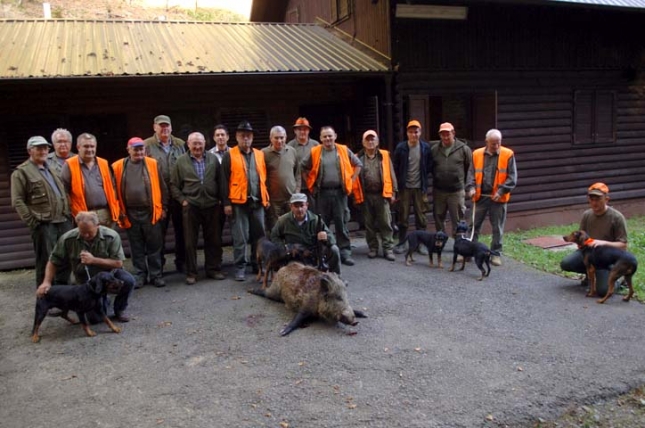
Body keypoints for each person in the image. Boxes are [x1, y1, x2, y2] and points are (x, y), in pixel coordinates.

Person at [35, 211, 135, 323]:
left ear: (98, 226)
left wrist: (93, 260)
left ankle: (119, 309)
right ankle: (102, 300)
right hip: (84, 280)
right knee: (95, 320)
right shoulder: (67, 238)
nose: (86, 235)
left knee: (128, 281)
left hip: (109, 275)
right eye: (82, 232)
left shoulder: (111, 236)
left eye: (89, 232)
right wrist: (46, 282)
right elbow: (53, 261)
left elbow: (118, 263)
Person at [11, 136, 72, 285]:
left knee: (66, 259)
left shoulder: (51, 168)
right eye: (39, 148)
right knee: (46, 260)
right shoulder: (21, 172)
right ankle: (46, 297)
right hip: (44, 224)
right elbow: (17, 201)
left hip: (63, 220)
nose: (43, 151)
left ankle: (62, 294)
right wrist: (32, 222)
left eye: (45, 148)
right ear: (29, 151)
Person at [112, 137, 168, 289]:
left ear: (145, 150)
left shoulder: (153, 164)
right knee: (136, 246)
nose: (138, 151)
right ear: (128, 149)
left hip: (150, 211)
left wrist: (164, 208)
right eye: (135, 149)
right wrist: (119, 212)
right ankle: (140, 275)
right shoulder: (117, 166)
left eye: (141, 148)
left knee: (154, 245)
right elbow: (114, 192)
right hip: (130, 212)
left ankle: (156, 275)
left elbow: (163, 188)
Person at [171, 132, 226, 284]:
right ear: (188, 144)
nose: (197, 146)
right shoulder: (180, 162)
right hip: (191, 206)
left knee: (213, 239)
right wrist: (183, 200)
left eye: (200, 143)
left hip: (211, 205)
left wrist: (222, 200)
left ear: (205, 143)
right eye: (194, 143)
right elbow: (174, 185)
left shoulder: (213, 159)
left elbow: (220, 181)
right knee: (190, 242)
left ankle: (213, 269)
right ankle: (191, 273)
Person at [302, 125, 362, 266]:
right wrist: (310, 183)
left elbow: (358, 164)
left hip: (340, 193)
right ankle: (321, 253)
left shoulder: (343, 150)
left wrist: (351, 181)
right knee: (322, 224)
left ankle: (345, 253)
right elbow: (303, 166)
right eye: (325, 136)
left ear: (335, 136)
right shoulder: (315, 151)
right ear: (321, 138)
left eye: (330, 135)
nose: (328, 138)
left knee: (341, 224)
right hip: (322, 193)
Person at [221, 121, 269, 281]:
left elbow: (263, 178)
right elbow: (224, 180)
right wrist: (226, 203)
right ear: (236, 137)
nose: (245, 139)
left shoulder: (260, 154)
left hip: (257, 203)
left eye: (248, 136)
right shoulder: (230, 155)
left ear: (252, 137)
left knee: (259, 236)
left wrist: (265, 198)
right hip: (238, 204)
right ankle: (240, 267)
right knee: (240, 237)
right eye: (242, 136)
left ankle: (258, 264)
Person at [560, 183, 628, 295]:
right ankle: (590, 275)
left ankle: (618, 279)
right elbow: (580, 238)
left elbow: (623, 245)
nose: (594, 202)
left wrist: (602, 243)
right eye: (591, 199)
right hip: (589, 253)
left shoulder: (617, 217)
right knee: (566, 263)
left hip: (607, 258)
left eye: (598, 199)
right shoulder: (587, 215)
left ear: (607, 199)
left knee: (603, 291)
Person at [465, 129, 517, 267]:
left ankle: (495, 254)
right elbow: (470, 173)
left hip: (498, 198)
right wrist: (470, 188)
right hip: (480, 196)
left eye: (498, 143)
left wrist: (501, 191)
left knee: (497, 228)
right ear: (486, 142)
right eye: (493, 143)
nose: (496, 146)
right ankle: (469, 252)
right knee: (473, 225)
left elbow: (512, 177)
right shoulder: (476, 154)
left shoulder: (508, 154)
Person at [144, 114, 187, 273]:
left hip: (178, 195)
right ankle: (158, 266)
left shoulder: (180, 144)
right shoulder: (146, 145)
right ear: (154, 127)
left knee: (181, 231)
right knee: (157, 234)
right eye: (161, 126)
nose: (164, 128)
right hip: (158, 197)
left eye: (167, 125)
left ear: (171, 127)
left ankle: (181, 262)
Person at [271, 193, 342, 275]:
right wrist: (285, 248)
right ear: (291, 207)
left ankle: (336, 278)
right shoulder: (283, 221)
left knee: (334, 250)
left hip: (312, 253)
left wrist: (326, 237)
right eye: (296, 206)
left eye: (302, 205)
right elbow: (274, 236)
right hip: (295, 256)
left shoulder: (315, 220)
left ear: (307, 205)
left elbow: (332, 239)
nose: (299, 209)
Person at [354, 130, 398, 261]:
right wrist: (355, 197)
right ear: (363, 142)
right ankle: (373, 248)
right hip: (366, 195)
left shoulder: (384, 156)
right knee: (369, 224)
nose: (370, 142)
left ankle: (388, 248)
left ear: (377, 142)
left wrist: (394, 192)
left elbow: (391, 174)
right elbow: (354, 178)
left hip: (382, 195)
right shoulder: (358, 158)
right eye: (367, 139)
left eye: (373, 139)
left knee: (385, 222)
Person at [60, 133, 119, 228]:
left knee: (107, 241)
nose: (89, 149)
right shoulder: (69, 165)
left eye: (92, 146)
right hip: (84, 215)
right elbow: (63, 192)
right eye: (86, 146)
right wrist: (73, 212)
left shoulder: (103, 163)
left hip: (106, 213)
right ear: (78, 147)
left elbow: (112, 187)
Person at [392, 120, 433, 254]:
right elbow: (395, 167)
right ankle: (402, 243)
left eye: (416, 132)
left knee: (421, 216)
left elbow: (429, 166)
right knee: (403, 216)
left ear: (420, 133)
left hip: (420, 187)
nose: (413, 134)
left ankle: (421, 244)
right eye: (411, 132)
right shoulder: (401, 148)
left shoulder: (425, 148)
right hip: (405, 188)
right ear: (407, 133)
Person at [430, 122, 472, 237]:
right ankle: (441, 240)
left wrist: (468, 187)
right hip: (439, 191)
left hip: (456, 191)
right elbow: (431, 167)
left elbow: (470, 169)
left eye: (448, 134)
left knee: (458, 218)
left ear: (453, 133)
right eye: (443, 134)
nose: (445, 137)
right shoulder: (434, 150)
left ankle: (459, 243)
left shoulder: (464, 149)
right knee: (438, 216)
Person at [262, 125, 301, 232]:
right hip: (274, 200)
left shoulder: (292, 151)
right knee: (276, 228)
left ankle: (292, 248)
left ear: (286, 137)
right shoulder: (264, 153)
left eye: (281, 137)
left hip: (290, 198)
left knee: (293, 226)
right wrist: (265, 197)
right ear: (270, 138)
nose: (279, 141)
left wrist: (296, 192)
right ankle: (277, 248)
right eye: (276, 138)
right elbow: (261, 177)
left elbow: (298, 174)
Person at [287, 117, 319, 207]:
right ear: (295, 131)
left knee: (314, 211)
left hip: (312, 185)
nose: (302, 132)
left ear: (308, 131)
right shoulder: (290, 146)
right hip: (297, 187)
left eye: (305, 129)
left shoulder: (316, 145)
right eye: (299, 129)